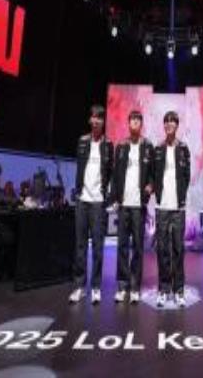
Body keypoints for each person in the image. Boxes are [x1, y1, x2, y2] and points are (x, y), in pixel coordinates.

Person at [69, 104, 114, 305]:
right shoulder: (82, 141)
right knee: (80, 245)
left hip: (98, 202)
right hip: (82, 199)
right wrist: (78, 191)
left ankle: (96, 287)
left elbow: (111, 173)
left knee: (97, 246)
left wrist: (108, 196)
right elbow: (80, 168)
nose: (96, 121)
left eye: (100, 118)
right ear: (90, 120)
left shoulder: (108, 145)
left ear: (103, 122)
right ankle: (79, 286)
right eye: (94, 117)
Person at [112, 110, 154, 304]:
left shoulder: (148, 146)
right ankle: (122, 286)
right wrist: (115, 198)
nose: (135, 123)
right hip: (123, 204)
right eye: (132, 120)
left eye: (138, 120)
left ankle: (135, 286)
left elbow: (153, 172)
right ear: (128, 124)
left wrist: (151, 185)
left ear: (141, 124)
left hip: (139, 205)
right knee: (122, 246)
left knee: (137, 246)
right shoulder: (121, 146)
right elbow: (115, 175)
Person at [153, 111, 191, 308]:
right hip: (161, 207)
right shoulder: (157, 149)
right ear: (164, 126)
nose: (169, 124)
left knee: (178, 249)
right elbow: (153, 174)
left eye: (172, 122)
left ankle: (179, 290)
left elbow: (187, 176)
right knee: (162, 250)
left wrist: (182, 197)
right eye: (166, 122)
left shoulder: (183, 149)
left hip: (178, 208)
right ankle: (163, 289)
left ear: (177, 125)